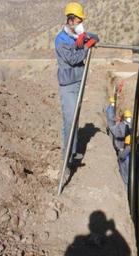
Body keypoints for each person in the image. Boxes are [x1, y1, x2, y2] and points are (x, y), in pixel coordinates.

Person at [55, 2, 99, 174]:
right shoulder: (61, 40)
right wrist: (85, 47)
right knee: (69, 121)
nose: (81, 24)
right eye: (79, 21)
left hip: (78, 82)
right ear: (71, 20)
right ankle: (66, 162)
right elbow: (73, 59)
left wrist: (85, 37)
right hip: (68, 85)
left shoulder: (75, 36)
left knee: (75, 119)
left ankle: (72, 154)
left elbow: (96, 37)